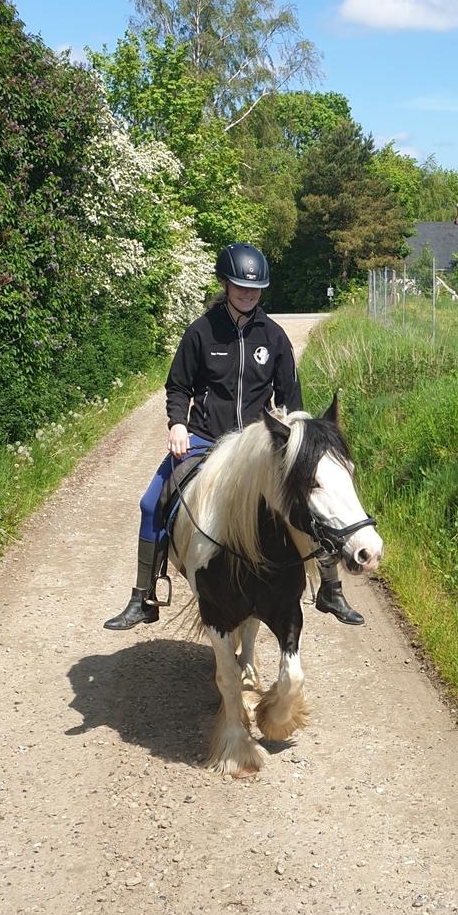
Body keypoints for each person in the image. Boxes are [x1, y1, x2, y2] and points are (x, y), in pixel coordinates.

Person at [104, 242, 364, 630]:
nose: (248, 293)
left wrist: (297, 443)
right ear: (225, 284)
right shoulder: (201, 332)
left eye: (255, 287)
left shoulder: (274, 337)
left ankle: (330, 587)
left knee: (310, 495)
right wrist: (177, 423)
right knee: (150, 503)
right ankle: (143, 596)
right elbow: (178, 386)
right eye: (240, 286)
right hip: (206, 440)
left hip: (257, 446)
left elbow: (290, 398)